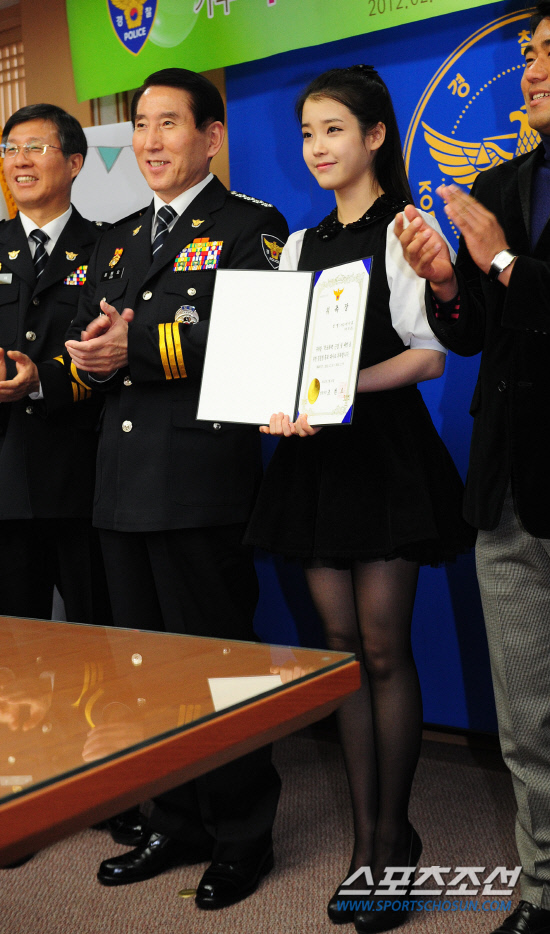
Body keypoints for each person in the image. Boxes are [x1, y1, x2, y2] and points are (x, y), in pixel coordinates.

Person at [245, 65, 474, 934]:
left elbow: (428, 356)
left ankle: (389, 843)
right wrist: (278, 398)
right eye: (307, 133)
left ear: (376, 136)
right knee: (339, 654)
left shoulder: (406, 228)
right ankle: (364, 842)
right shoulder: (297, 245)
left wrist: (340, 388)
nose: (317, 147)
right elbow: (284, 359)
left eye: (333, 129)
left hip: (383, 454)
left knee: (382, 649)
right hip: (315, 460)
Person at [64, 68, 289, 910]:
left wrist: (136, 348)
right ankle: (177, 818)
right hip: (120, 488)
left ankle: (242, 834)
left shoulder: (251, 226)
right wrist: (89, 361)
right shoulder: (119, 239)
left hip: (200, 483)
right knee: (145, 670)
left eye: (168, 123)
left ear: (211, 136)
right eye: (140, 125)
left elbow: (252, 337)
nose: (150, 141)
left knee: (219, 664)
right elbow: (91, 349)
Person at [395, 5, 550, 932]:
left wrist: (504, 265)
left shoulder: (498, 222)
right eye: (529, 52)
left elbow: (518, 284)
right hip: (511, 492)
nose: (533, 69)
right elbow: (474, 335)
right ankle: (543, 889)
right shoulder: (501, 183)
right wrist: (451, 282)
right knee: (528, 719)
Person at [0, 103, 111, 626]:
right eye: (10, 149)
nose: (19, 160)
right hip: (5, 482)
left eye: (35, 148)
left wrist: (42, 381)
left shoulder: (111, 248)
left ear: (74, 163)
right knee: (13, 650)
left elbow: (115, 355)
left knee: (101, 641)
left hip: (84, 480)